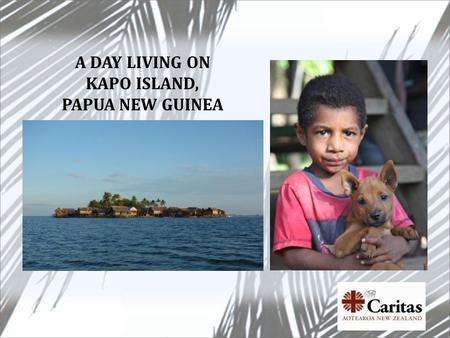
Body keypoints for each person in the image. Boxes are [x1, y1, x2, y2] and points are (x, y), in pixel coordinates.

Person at [272, 74, 418, 270]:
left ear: (361, 135)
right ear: (301, 134)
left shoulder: (374, 183)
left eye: (348, 133)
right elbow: (294, 255)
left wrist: (400, 245)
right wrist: (342, 266)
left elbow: (410, 234)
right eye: (323, 132)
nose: (336, 146)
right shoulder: (296, 189)